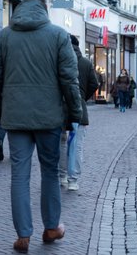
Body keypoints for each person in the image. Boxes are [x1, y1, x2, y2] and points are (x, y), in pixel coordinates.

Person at [0, 0, 82, 253]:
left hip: (15, 117)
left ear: (22, 4)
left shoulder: (5, 36)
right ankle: (51, 226)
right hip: (48, 117)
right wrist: (74, 112)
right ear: (44, 5)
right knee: (50, 171)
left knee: (19, 174)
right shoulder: (59, 35)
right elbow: (69, 79)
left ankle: (23, 235)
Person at [59, 35, 99, 191]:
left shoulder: (59, 61)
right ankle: (73, 180)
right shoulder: (86, 63)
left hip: (61, 109)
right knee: (76, 145)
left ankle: (61, 176)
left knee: (61, 143)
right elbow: (94, 84)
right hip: (79, 108)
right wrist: (82, 98)